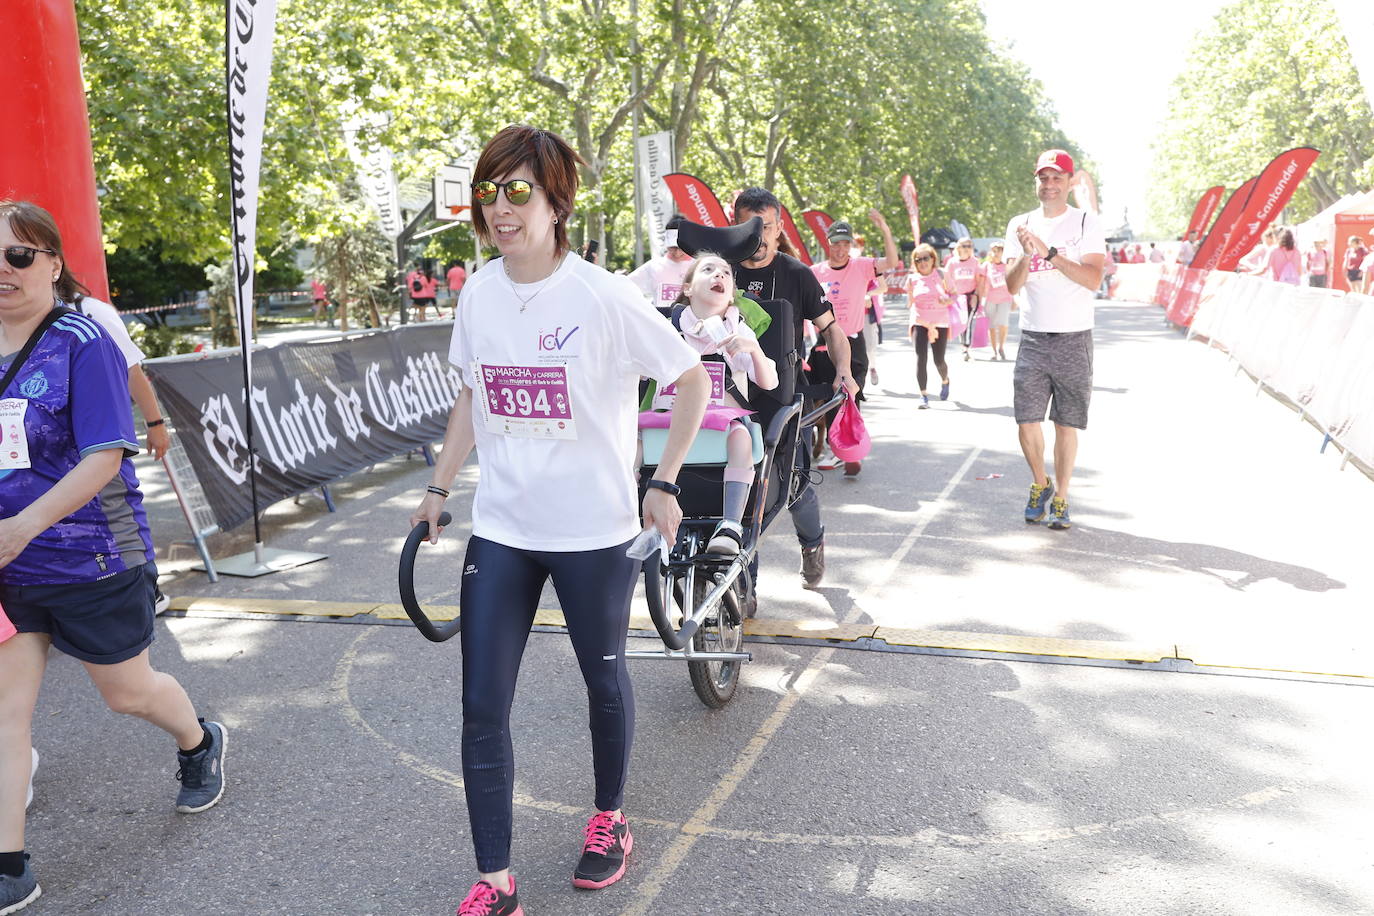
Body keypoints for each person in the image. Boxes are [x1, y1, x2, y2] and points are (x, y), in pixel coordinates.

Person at [409, 126, 709, 916]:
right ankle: (496, 881)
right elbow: (474, 393)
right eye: (489, 193)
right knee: (482, 704)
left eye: (519, 192)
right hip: (504, 526)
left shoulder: (603, 295)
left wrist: (666, 481)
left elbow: (689, 379)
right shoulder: (478, 290)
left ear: (555, 201)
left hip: (594, 532)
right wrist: (440, 489)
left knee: (601, 680)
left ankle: (610, 820)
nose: (501, 210)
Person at [0, 200, 227, 916]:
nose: (3, 271)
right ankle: (11, 866)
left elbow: (105, 454)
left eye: (18, 256)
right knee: (7, 712)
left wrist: (26, 523)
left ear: (53, 265)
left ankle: (198, 741)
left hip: (89, 553)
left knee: (125, 692)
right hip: (9, 565)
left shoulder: (81, 339)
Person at [731, 187, 858, 587]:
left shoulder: (797, 274)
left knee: (795, 486)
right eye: (750, 227)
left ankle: (812, 543)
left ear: (779, 227)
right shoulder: (718, 271)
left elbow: (833, 330)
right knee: (741, 492)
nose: (759, 236)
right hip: (728, 397)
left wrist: (844, 370)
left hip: (786, 397)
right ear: (734, 225)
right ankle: (743, 586)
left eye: (766, 227)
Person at [643, 254, 777, 555]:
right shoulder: (667, 327)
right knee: (629, 443)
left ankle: (730, 524)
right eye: (709, 269)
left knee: (741, 437)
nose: (720, 275)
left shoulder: (738, 330)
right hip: (669, 417)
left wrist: (753, 350)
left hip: (721, 419)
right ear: (688, 288)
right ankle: (629, 519)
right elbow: (640, 370)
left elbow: (769, 383)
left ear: (731, 293)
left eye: (727, 272)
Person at [1003, 150, 1107, 531]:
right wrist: (1027, 255)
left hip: (1074, 338)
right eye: (1043, 178)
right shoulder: (1020, 224)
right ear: (1036, 182)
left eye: (1057, 178)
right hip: (1033, 337)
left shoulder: (1085, 223)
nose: (1049, 185)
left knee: (1066, 424)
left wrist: (1049, 252)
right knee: (1026, 420)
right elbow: (1011, 285)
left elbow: (1093, 279)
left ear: (1070, 181)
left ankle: (1061, 496)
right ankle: (1040, 483)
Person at [808, 212, 900, 476]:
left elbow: (891, 262)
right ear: (828, 244)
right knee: (827, 398)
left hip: (853, 341)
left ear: (850, 245)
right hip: (824, 343)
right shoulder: (816, 272)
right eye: (836, 243)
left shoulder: (861, 266)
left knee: (850, 396)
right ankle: (833, 446)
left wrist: (884, 228)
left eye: (845, 244)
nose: (841, 249)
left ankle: (848, 448)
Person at [906, 243, 954, 408]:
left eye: (926, 258)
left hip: (940, 322)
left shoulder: (942, 274)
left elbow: (954, 296)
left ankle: (945, 380)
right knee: (921, 358)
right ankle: (923, 395)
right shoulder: (912, 279)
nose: (922, 262)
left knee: (939, 360)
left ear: (933, 259)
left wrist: (947, 300)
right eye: (918, 259)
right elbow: (910, 302)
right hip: (919, 322)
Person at [628, 214, 695, 307]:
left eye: (681, 247)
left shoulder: (699, 267)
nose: (677, 252)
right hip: (660, 319)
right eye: (673, 248)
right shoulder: (653, 266)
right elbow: (627, 286)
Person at [943, 237, 983, 362]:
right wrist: (950, 295)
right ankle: (964, 346)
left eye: (970, 246)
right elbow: (946, 279)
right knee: (961, 322)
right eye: (965, 246)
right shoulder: (952, 262)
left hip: (971, 296)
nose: (967, 249)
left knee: (968, 322)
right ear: (959, 247)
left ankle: (966, 347)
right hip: (957, 297)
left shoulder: (975, 262)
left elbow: (979, 280)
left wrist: (976, 296)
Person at [980, 241, 1016, 360]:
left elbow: (1013, 282)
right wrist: (979, 298)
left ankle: (1001, 347)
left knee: (1003, 324)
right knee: (991, 326)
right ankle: (994, 351)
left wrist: (1015, 299)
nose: (995, 254)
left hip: (1005, 298)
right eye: (993, 251)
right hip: (990, 299)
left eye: (998, 251)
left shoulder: (1007, 265)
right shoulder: (986, 265)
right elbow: (980, 283)